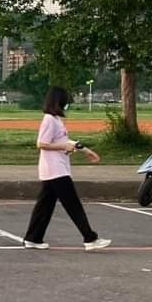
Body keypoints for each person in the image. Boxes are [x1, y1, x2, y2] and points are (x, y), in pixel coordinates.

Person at [23, 86, 112, 251]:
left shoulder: (56, 120)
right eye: (65, 101)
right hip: (55, 170)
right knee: (73, 205)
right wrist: (64, 146)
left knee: (44, 206)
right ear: (59, 102)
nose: (67, 104)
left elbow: (65, 141)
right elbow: (41, 143)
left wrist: (86, 150)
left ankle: (33, 238)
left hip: (56, 169)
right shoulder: (49, 119)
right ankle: (90, 238)